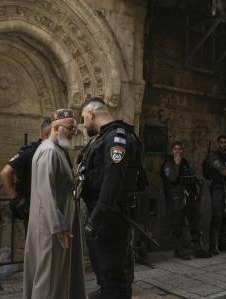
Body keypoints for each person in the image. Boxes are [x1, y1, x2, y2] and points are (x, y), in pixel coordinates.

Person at [78, 97, 145, 299]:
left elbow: (112, 182)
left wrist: (95, 219)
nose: (83, 124)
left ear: (91, 114)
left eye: (83, 119)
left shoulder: (117, 138)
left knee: (114, 276)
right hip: (104, 217)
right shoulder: (102, 138)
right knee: (105, 273)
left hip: (111, 217)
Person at [22, 109, 86, 299]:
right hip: (50, 228)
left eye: (74, 128)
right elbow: (45, 191)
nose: (73, 132)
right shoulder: (49, 151)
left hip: (53, 224)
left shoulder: (57, 150)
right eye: (70, 128)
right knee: (47, 280)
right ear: (56, 128)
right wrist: (58, 225)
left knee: (54, 277)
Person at [162, 141, 211, 259]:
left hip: (189, 196)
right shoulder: (168, 163)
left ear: (183, 151)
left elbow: (191, 177)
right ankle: (179, 251)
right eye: (175, 149)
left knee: (194, 222)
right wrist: (177, 164)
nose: (178, 151)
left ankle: (198, 249)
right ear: (172, 151)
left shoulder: (185, 162)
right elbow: (173, 178)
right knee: (177, 224)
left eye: (179, 149)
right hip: (176, 198)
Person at [0, 117, 51, 227]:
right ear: (46, 134)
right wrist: (16, 199)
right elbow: (5, 173)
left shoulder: (55, 152)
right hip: (32, 207)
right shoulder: (31, 152)